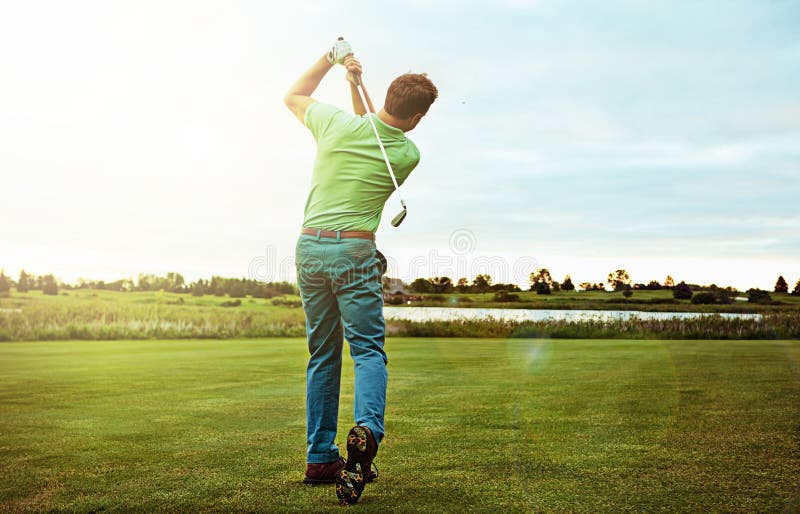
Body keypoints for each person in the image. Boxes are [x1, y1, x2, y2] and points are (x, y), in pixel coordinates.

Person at [283, 39, 437, 505]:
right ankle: (367, 431)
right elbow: (378, 132)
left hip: (309, 247)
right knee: (367, 350)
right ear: (416, 118)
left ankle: (319, 457)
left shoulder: (333, 124)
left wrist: (332, 62)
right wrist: (356, 87)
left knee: (322, 355)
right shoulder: (406, 155)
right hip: (353, 252)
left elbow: (293, 95)